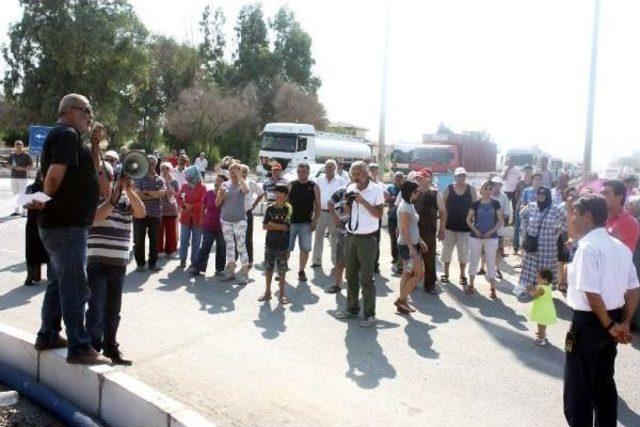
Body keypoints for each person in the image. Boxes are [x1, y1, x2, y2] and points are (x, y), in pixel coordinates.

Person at [33, 93, 105, 364]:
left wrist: (95, 144)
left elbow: (92, 171)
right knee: (75, 285)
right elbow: (53, 175)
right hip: (66, 226)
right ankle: (79, 346)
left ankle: (48, 334)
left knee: (58, 282)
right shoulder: (66, 134)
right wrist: (44, 197)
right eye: (86, 110)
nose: (90, 116)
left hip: (63, 226)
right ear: (70, 110)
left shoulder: (72, 138)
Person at [563, 194, 639, 427]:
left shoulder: (588, 247)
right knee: (604, 382)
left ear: (587, 216)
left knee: (578, 388)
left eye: (574, 213)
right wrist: (623, 322)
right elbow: (634, 288)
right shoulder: (619, 247)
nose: (571, 219)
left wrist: (609, 324)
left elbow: (590, 291)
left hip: (587, 323)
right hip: (612, 320)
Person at [86, 162, 145, 365]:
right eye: (100, 174)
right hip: (97, 262)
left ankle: (111, 347)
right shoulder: (91, 197)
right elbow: (96, 217)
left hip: (118, 264)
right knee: (96, 308)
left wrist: (129, 191)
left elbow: (141, 213)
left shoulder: (125, 198)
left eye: (106, 174)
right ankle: (93, 348)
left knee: (113, 310)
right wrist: (115, 195)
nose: (102, 177)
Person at [334, 161, 384, 327]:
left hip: (368, 239)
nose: (356, 177)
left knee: (367, 278)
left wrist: (363, 201)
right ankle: (352, 308)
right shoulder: (350, 188)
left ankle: (369, 314)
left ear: (366, 172)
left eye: (358, 173)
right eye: (353, 174)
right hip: (351, 237)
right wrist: (347, 203)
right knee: (351, 276)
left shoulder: (376, 190)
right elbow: (347, 214)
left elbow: (378, 214)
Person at [515, 187, 567, 297]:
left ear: (548, 195)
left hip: (548, 247)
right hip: (532, 245)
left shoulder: (555, 209)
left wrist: (559, 230)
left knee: (545, 270)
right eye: (539, 194)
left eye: (543, 194)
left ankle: (544, 293)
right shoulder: (532, 206)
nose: (541, 196)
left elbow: (567, 220)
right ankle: (531, 290)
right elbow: (522, 214)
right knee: (530, 267)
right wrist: (527, 228)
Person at [466, 180, 503, 299]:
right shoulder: (475, 203)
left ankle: (493, 289)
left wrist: (490, 232)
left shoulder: (496, 203)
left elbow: (500, 221)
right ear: (481, 189)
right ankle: (471, 285)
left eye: (490, 189)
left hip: (491, 238)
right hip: (475, 237)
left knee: (491, 263)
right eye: (485, 188)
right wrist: (475, 230)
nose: (487, 191)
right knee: (474, 260)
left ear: (492, 190)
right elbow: (468, 219)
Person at [395, 181, 427, 314]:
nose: (418, 193)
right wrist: (412, 248)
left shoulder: (409, 205)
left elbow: (413, 228)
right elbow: (404, 229)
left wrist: (420, 241)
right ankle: (402, 300)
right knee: (419, 274)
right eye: (416, 191)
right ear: (411, 192)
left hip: (410, 245)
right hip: (407, 247)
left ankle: (403, 302)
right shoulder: (405, 208)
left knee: (407, 273)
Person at [217, 162, 250, 284]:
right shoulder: (225, 184)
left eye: (235, 171)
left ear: (240, 172)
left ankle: (245, 275)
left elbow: (246, 190)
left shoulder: (242, 183)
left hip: (240, 220)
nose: (233, 174)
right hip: (226, 220)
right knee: (230, 247)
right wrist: (221, 195)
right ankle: (231, 273)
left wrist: (239, 176)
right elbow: (218, 203)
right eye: (231, 171)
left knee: (241, 246)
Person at [414, 168, 446, 294]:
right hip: (413, 230)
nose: (418, 179)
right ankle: (412, 282)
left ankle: (430, 285)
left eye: (421, 177)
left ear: (428, 179)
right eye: (417, 177)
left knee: (429, 259)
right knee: (413, 258)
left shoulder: (436, 193)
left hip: (429, 231)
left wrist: (442, 228)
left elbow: (443, 212)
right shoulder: (413, 192)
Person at [441, 167, 475, 286]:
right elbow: (442, 207)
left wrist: (473, 224)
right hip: (449, 226)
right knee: (446, 252)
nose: (461, 178)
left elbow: (474, 207)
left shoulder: (471, 189)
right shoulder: (448, 188)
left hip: (465, 228)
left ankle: (462, 274)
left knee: (464, 253)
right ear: (455, 177)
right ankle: (445, 273)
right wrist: (441, 226)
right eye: (459, 175)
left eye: (463, 176)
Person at [259, 184, 293, 304]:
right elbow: (264, 226)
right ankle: (267, 292)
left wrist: (272, 225)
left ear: (285, 195)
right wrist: (276, 226)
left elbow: (286, 227)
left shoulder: (288, 208)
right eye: (276, 192)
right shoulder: (270, 207)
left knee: (282, 271)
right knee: (268, 269)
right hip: (269, 244)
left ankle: (282, 294)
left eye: (281, 193)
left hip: (282, 245)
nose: (278, 195)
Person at [287, 162, 320, 282]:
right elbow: (284, 203)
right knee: (286, 248)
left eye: (304, 171)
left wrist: (315, 221)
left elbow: (318, 206)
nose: (301, 174)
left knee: (305, 249)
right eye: (299, 171)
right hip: (290, 223)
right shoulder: (291, 185)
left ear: (308, 172)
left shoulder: (314, 186)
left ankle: (301, 270)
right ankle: (283, 269)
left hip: (306, 223)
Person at [133, 155, 165, 272]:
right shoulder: (139, 178)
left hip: (155, 214)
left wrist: (147, 193)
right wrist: (154, 194)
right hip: (139, 213)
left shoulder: (160, 179)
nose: (150, 165)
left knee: (154, 240)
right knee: (139, 239)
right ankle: (140, 263)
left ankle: (153, 263)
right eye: (148, 163)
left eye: (153, 163)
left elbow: (163, 193)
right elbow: (138, 195)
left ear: (156, 164)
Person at [312, 159, 346, 269]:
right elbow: (314, 196)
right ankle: (316, 261)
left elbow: (344, 197)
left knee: (335, 238)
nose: (329, 169)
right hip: (321, 211)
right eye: (327, 166)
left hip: (335, 213)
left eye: (331, 166)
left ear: (335, 168)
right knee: (318, 236)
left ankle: (336, 261)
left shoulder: (341, 181)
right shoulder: (319, 180)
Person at [193, 174, 227, 276]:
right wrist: (201, 220)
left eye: (220, 181)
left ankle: (220, 269)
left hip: (222, 226)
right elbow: (203, 207)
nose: (217, 182)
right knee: (205, 246)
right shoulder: (209, 193)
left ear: (225, 184)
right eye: (217, 180)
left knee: (221, 247)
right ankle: (199, 268)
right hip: (208, 224)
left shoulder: (227, 195)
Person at [177, 166, 206, 270]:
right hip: (185, 217)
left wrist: (192, 206)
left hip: (198, 219)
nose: (187, 178)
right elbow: (178, 198)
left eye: (189, 176)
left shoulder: (202, 187)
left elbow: (203, 202)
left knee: (196, 241)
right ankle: (182, 260)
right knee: (184, 240)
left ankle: (194, 262)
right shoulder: (184, 186)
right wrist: (184, 206)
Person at [24, 171, 49, 286]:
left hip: (47, 223)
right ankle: (31, 276)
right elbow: (24, 203)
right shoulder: (31, 188)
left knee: (49, 250)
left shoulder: (51, 188)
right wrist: (31, 204)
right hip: (33, 223)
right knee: (31, 249)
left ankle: (51, 276)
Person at [326, 180, 351, 294]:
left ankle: (353, 285)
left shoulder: (364, 191)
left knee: (356, 260)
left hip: (359, 233)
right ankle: (337, 284)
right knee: (340, 259)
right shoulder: (342, 191)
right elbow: (330, 202)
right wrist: (335, 217)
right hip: (342, 230)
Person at [602, 179, 640, 252]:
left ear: (619, 198)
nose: (602, 196)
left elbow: (619, 255)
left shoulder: (629, 222)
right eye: (601, 193)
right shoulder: (602, 218)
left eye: (606, 193)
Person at [241, 164, 264, 267]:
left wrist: (254, 204)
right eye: (242, 171)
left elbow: (261, 193)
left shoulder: (251, 183)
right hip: (236, 213)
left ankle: (250, 260)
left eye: (245, 171)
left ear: (248, 173)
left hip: (247, 212)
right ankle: (234, 260)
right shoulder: (236, 182)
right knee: (235, 237)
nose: (244, 173)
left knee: (248, 237)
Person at [527, 269, 557, 346]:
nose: (536, 280)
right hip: (546, 308)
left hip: (542, 309)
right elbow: (537, 289)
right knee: (542, 324)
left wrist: (530, 290)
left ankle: (541, 339)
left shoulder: (541, 288)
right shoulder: (549, 286)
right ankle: (542, 334)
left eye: (538, 278)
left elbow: (534, 295)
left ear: (545, 280)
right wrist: (533, 288)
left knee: (541, 324)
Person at [368, 163, 387, 273]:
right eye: (371, 169)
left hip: (376, 216)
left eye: (375, 169)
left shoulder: (381, 185)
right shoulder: (364, 184)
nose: (373, 171)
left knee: (376, 241)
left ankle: (375, 264)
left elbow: (386, 197)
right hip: (366, 216)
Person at [490, 176, 511, 279]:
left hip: (499, 229)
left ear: (501, 186)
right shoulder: (486, 194)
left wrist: (497, 219)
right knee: (485, 249)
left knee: (498, 250)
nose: (495, 187)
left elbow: (506, 213)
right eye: (494, 184)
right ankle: (484, 268)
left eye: (498, 185)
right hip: (486, 228)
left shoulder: (504, 197)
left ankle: (497, 269)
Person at [158, 162, 179, 258]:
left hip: (171, 209)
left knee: (171, 231)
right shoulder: (157, 180)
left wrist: (168, 182)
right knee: (159, 231)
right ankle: (158, 250)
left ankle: (170, 250)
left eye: (167, 168)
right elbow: (158, 193)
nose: (165, 170)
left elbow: (174, 194)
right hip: (159, 209)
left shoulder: (174, 181)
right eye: (163, 168)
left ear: (170, 169)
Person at [8, 140, 33, 216]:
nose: (19, 145)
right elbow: (8, 165)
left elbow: (31, 167)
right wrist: (12, 167)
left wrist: (21, 169)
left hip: (23, 178)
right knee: (15, 194)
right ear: (15, 145)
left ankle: (24, 212)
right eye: (17, 144)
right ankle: (17, 211)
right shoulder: (12, 156)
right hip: (13, 178)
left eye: (20, 144)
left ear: (23, 146)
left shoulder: (27, 155)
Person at [513, 165, 534, 256]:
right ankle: (515, 246)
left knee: (526, 229)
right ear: (524, 172)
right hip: (519, 208)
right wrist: (520, 203)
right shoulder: (520, 183)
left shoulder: (533, 183)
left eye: (529, 171)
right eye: (526, 171)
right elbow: (516, 194)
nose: (528, 173)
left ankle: (525, 247)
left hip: (530, 211)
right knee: (517, 228)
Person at [386, 172, 404, 273]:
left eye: (400, 177)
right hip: (392, 217)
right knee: (393, 238)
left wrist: (394, 199)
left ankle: (401, 259)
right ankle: (395, 257)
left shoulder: (405, 188)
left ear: (402, 179)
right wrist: (390, 199)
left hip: (402, 217)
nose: (397, 179)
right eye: (396, 177)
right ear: (393, 179)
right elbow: (386, 199)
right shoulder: (390, 188)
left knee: (401, 239)